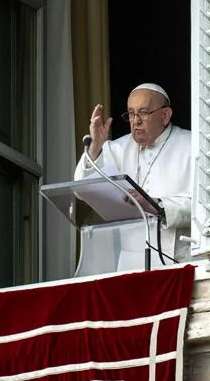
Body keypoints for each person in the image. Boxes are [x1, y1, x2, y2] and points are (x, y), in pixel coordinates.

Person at [74, 83, 192, 270]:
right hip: (130, 263)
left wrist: (157, 206)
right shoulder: (117, 148)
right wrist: (96, 146)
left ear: (165, 115)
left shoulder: (191, 145)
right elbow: (82, 189)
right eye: (131, 113)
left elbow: (204, 206)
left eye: (143, 113)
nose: (135, 121)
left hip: (179, 259)